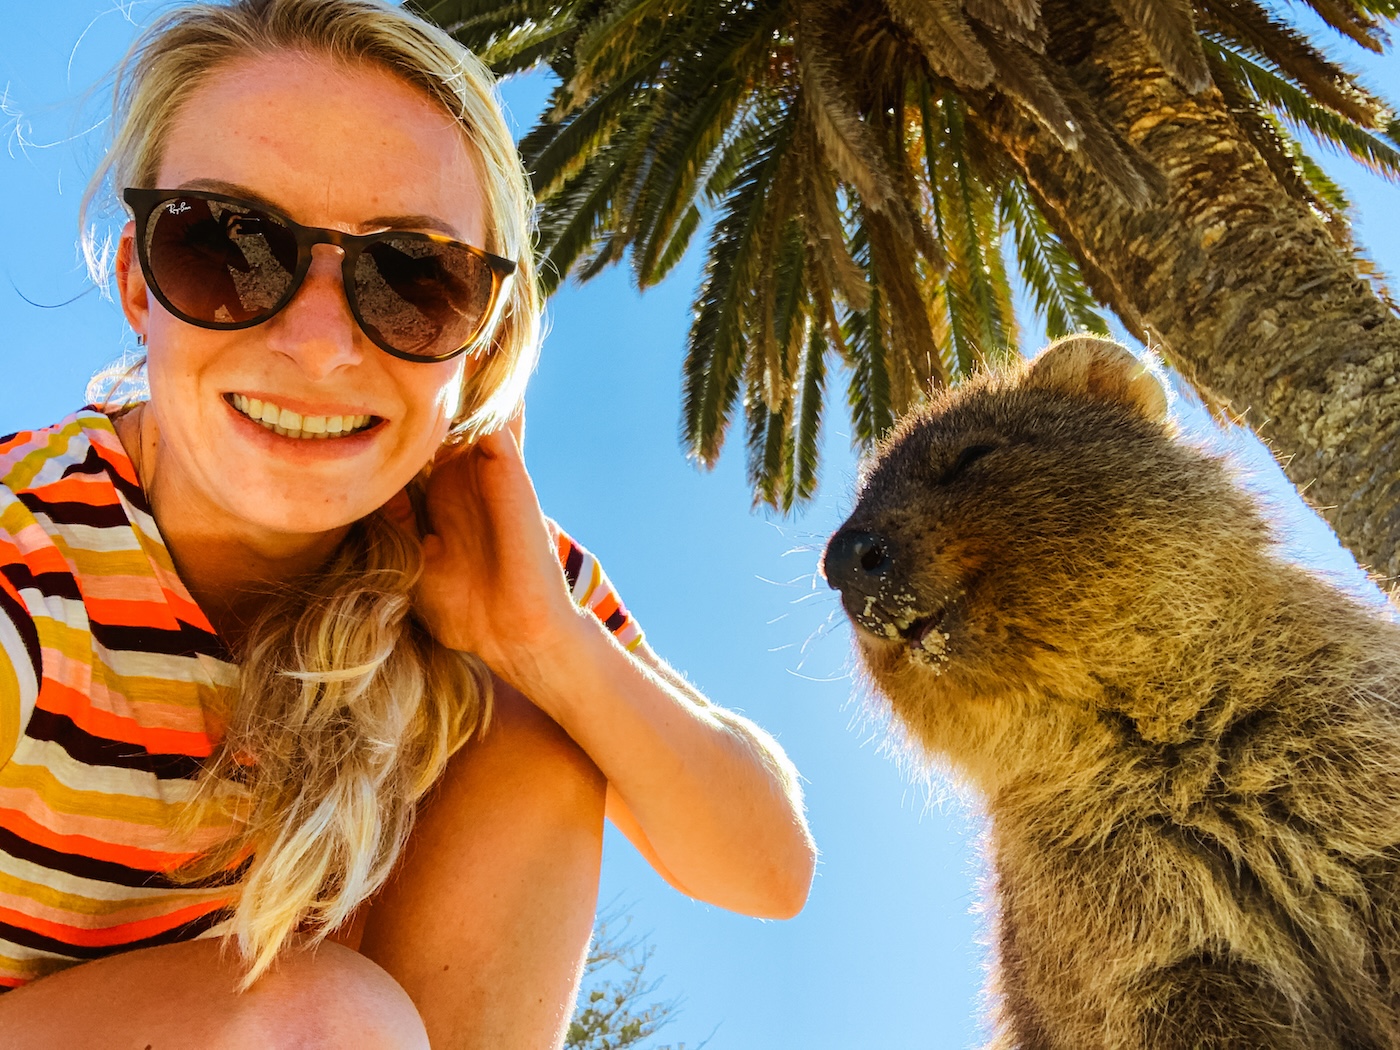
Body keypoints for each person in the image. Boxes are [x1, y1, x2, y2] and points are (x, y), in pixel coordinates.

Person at [0, 0, 816, 1046]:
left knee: (545, 724)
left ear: (478, 343)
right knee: (328, 1025)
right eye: (227, 247)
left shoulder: (481, 558)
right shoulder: (30, 557)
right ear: (136, 282)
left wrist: (542, 643)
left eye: (411, 277)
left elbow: (767, 867)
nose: (320, 345)